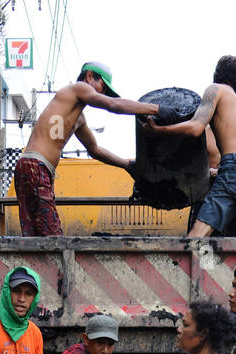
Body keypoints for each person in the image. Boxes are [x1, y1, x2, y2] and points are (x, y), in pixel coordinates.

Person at [14, 64, 160, 236]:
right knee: (52, 239)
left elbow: (94, 149)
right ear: (89, 76)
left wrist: (128, 165)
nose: (102, 94)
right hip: (36, 167)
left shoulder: (77, 118)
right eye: (102, 88)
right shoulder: (78, 88)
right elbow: (113, 104)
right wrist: (157, 109)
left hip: (32, 167)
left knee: (34, 236)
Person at [145, 56, 236, 238]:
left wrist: (159, 130)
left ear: (216, 72)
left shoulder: (215, 90)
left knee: (196, 238)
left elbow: (195, 127)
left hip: (235, 169)